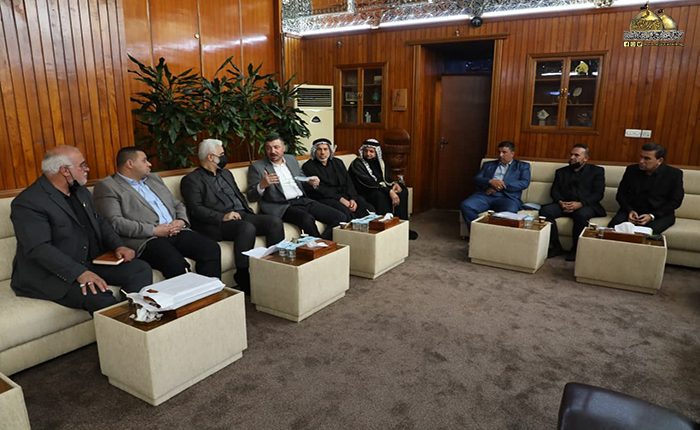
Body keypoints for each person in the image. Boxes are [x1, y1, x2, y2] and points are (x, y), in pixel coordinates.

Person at [10, 146, 152, 314]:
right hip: (51, 272)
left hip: (88, 262)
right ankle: (125, 324)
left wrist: (118, 245)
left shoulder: (80, 191)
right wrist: (79, 272)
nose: (87, 169)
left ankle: (133, 317)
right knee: (98, 296)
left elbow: (99, 221)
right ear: (65, 171)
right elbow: (39, 248)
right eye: (82, 165)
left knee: (140, 269)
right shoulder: (29, 202)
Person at [93, 147, 221, 280]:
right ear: (130, 164)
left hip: (175, 230)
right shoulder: (108, 186)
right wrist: (154, 230)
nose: (149, 164)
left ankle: (211, 291)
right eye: (144, 160)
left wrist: (181, 221)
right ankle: (192, 293)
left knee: (211, 248)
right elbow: (115, 222)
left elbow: (177, 204)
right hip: (147, 239)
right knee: (176, 263)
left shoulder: (154, 179)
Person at [180, 139, 284, 292]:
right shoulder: (191, 180)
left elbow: (239, 196)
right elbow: (196, 209)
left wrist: (248, 211)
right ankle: (243, 274)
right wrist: (222, 216)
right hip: (217, 223)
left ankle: (276, 267)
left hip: (241, 214)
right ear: (210, 157)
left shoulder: (226, 174)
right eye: (221, 154)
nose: (224, 157)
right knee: (246, 228)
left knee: (274, 222)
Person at [246, 134, 345, 240]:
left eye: (276, 147)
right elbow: (251, 197)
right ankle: (320, 246)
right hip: (282, 205)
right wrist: (262, 185)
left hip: (302, 200)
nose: (272, 151)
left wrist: (310, 181)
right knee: (307, 219)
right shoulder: (257, 167)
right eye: (268, 148)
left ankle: (322, 243)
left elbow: (301, 178)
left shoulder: (291, 159)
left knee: (340, 217)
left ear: (283, 148)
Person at [540, 144, 606, 261]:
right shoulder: (561, 172)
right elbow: (554, 191)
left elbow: (598, 194)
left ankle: (576, 250)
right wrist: (561, 202)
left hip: (585, 205)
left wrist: (580, 204)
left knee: (581, 214)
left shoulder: (597, 171)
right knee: (545, 211)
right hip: (564, 204)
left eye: (576, 155)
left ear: (586, 158)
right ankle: (556, 246)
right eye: (571, 154)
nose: (572, 157)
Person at [349, 138, 418, 240]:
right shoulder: (357, 164)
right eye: (366, 151)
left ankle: (402, 228)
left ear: (377, 152)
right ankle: (385, 228)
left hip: (379, 187)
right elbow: (368, 182)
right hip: (365, 191)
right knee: (381, 196)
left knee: (403, 191)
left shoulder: (380, 162)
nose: (368, 154)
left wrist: (395, 184)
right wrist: (388, 191)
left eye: (371, 151)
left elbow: (386, 179)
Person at [608, 142, 684, 234]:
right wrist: (629, 210)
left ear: (659, 161)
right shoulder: (631, 170)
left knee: (648, 232)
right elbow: (621, 194)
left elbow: (675, 201)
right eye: (641, 157)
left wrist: (652, 216)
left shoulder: (674, 174)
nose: (641, 161)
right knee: (614, 227)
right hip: (632, 211)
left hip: (659, 214)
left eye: (647, 158)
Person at [460, 141, 531, 231]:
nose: (501, 155)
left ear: (512, 153)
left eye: (504, 152)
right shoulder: (488, 165)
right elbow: (476, 179)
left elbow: (524, 183)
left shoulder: (522, 166)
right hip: (486, 195)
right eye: (499, 152)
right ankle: (479, 233)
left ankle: (497, 236)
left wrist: (500, 185)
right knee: (466, 205)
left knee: (509, 213)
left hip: (507, 198)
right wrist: (490, 181)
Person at [301, 138, 375, 221]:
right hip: (326, 198)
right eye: (319, 149)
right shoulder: (308, 166)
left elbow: (348, 182)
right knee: (346, 212)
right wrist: (340, 199)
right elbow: (320, 189)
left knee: (368, 208)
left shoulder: (338, 162)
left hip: (345, 195)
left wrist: (352, 198)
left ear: (330, 150)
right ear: (314, 151)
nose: (322, 153)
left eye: (325, 149)